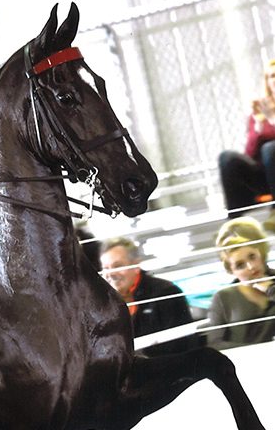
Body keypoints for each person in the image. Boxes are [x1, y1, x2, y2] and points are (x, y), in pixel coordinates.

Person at [100, 237, 198, 356]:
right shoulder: (101, 303)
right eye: (106, 268)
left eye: (118, 266)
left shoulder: (165, 293)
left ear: (136, 266)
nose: (111, 274)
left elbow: (181, 346)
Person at [218, 59, 275, 231]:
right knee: (227, 158)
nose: (274, 80)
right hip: (265, 176)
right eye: (271, 76)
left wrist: (272, 119)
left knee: (270, 148)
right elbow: (249, 153)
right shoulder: (258, 113)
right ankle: (235, 219)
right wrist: (258, 127)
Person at [207, 217, 275, 349]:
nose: (250, 267)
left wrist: (271, 290)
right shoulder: (223, 298)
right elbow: (215, 344)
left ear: (260, 252)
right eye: (240, 265)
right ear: (231, 271)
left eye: (252, 257)